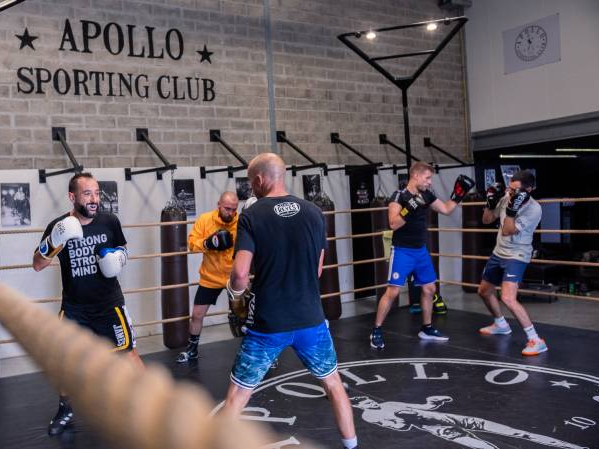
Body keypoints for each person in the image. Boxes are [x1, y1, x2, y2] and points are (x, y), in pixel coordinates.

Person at [221, 153, 359, 449]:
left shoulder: (252, 216)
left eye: (251, 181)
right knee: (334, 385)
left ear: (259, 180)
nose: (251, 187)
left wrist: (234, 294)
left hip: (269, 325)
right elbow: (319, 269)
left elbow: (241, 273)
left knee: (237, 397)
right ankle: (352, 446)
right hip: (311, 319)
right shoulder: (314, 212)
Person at [33, 172, 144, 436]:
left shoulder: (109, 221)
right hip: (75, 308)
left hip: (109, 305)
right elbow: (37, 264)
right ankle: (66, 408)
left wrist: (117, 258)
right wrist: (54, 241)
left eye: (96, 193)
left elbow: (124, 250)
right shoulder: (58, 226)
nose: (94, 199)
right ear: (72, 197)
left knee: (128, 354)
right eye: (87, 194)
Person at [369, 162, 475, 349]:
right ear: (416, 176)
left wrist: (458, 194)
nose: (429, 182)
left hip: (420, 251)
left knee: (429, 289)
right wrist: (409, 208)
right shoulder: (398, 196)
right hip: (402, 251)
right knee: (392, 291)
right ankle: (376, 330)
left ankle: (426, 328)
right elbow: (393, 224)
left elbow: (446, 209)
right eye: (427, 178)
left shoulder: (427, 195)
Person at [477, 170, 547, 356]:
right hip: (498, 252)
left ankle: (536, 339)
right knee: (484, 291)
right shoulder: (507, 196)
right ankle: (500, 324)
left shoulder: (534, 209)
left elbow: (508, 230)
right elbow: (486, 220)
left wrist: (511, 210)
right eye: (510, 188)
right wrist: (491, 202)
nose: (511, 193)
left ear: (529, 189)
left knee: (508, 297)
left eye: (516, 190)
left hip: (517, 254)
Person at [351, 396, 586, 449]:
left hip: (453, 418)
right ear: (359, 406)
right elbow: (403, 426)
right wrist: (401, 417)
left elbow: (425, 408)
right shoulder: (370, 416)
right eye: (362, 401)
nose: (367, 400)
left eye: (366, 398)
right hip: (439, 428)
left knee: (518, 433)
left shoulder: (389, 402)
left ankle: (572, 447)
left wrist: (433, 402)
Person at [176, 191, 239, 363]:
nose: (231, 213)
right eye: (227, 208)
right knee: (197, 314)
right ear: (218, 204)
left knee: (246, 315)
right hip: (210, 277)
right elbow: (191, 244)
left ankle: (257, 353)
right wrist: (207, 243)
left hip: (234, 276)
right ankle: (192, 350)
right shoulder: (205, 219)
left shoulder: (241, 223)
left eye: (234, 209)